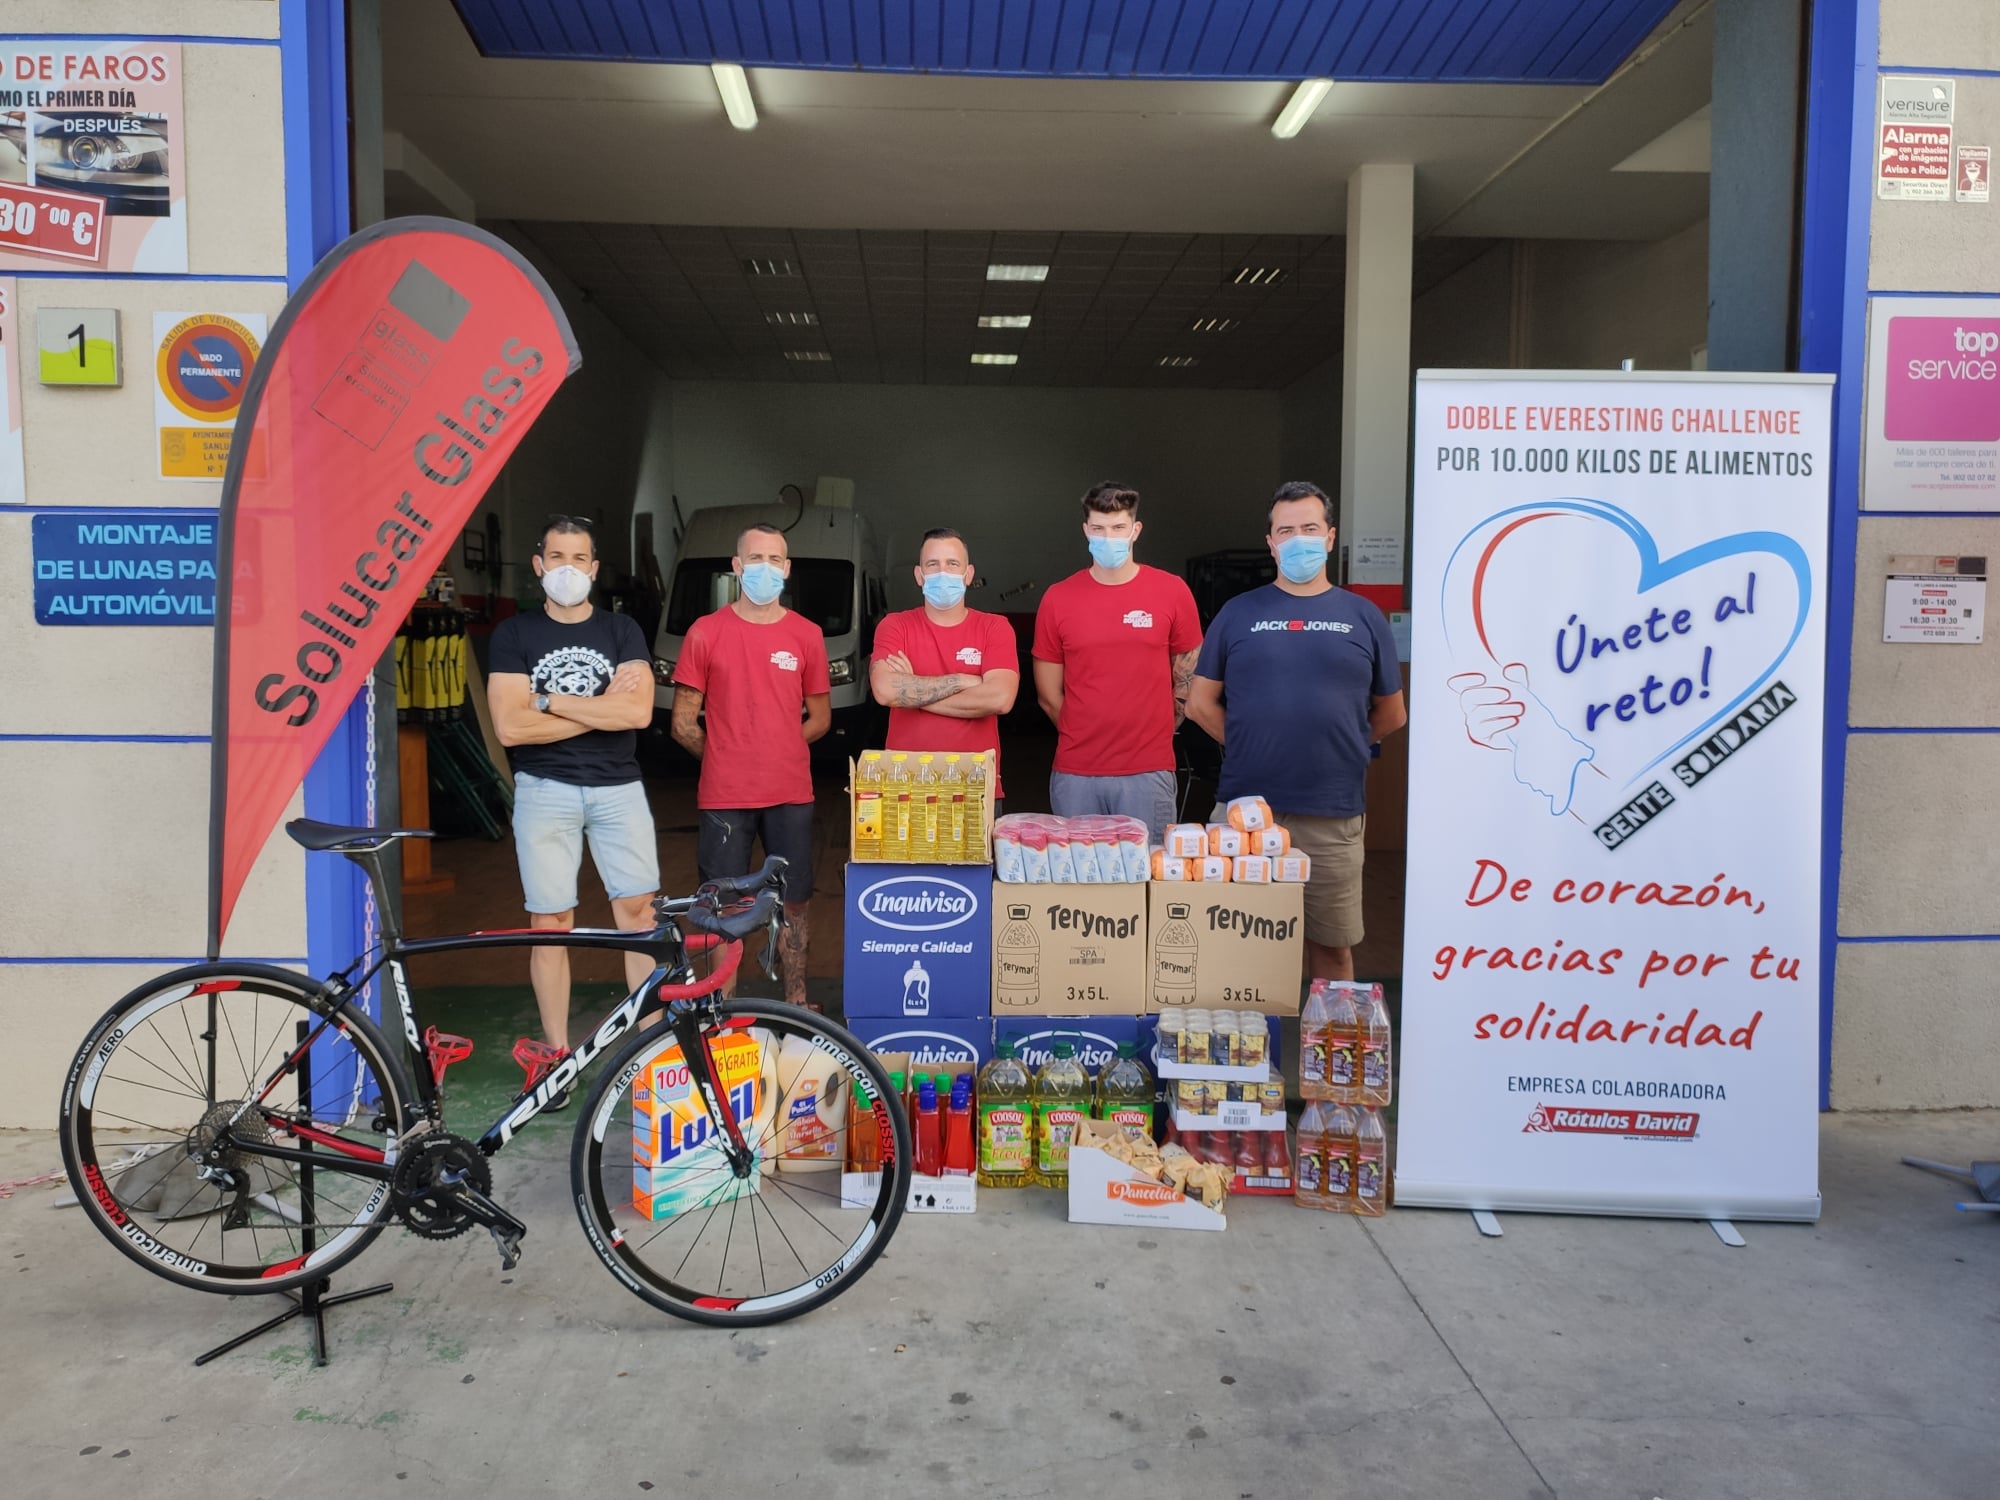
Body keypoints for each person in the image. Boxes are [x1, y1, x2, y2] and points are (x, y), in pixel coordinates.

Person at [1184, 481, 1407, 981]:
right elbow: (1199, 703)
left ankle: (1326, 1036)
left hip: (1332, 814)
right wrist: (1250, 744)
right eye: (1286, 531)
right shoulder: (1239, 613)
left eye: (1309, 528)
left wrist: (1343, 746)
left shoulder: (1363, 616)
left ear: (1330, 537)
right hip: (1244, 812)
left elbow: (1392, 713)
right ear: (1271, 543)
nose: (1298, 539)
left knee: (1332, 949)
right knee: (1232, 949)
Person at [487, 515, 659, 1099]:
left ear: (594, 567)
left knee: (639, 916)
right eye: (556, 557)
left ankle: (651, 1049)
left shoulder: (622, 630)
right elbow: (510, 728)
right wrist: (596, 708)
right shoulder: (513, 634)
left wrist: (546, 700)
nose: (567, 568)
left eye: (578, 558)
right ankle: (557, 1058)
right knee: (550, 923)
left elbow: (636, 714)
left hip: (618, 788)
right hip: (544, 790)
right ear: (539, 565)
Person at [670, 523, 830, 1008]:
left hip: (790, 792)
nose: (766, 568)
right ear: (737, 567)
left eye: (775, 559)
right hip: (725, 796)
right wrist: (728, 757)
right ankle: (722, 1007)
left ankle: (797, 1001)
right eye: (755, 558)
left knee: (795, 899)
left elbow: (820, 717)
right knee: (721, 906)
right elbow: (682, 723)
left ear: (787, 568)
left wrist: (776, 748)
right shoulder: (705, 632)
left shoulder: (806, 634)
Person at [1032, 482, 1202, 843]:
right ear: (1086, 530)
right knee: (1079, 876)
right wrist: (1086, 732)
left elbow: (1188, 679)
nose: (1108, 537)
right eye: (1098, 528)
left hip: (1149, 771)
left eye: (1118, 527)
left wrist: (1153, 731)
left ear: (1135, 530)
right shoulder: (1058, 598)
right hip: (1076, 772)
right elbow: (1048, 695)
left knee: (1146, 873)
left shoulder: (1172, 591)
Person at [869, 527, 1020, 809]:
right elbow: (885, 691)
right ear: (919, 575)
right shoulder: (894, 626)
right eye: (932, 564)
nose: (943, 572)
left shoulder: (995, 628)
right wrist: (964, 680)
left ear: (968, 574)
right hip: (907, 787)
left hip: (975, 788)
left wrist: (912, 691)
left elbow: (1000, 698)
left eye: (952, 564)